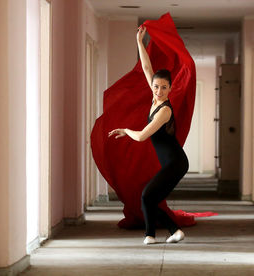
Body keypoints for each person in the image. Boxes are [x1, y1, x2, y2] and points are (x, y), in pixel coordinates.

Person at [108, 26, 189, 245]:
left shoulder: (164, 110)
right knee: (150, 198)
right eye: (156, 87)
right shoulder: (155, 100)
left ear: (170, 88)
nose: (159, 91)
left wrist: (126, 130)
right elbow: (146, 67)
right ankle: (152, 235)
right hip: (170, 162)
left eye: (163, 87)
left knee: (147, 196)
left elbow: (143, 136)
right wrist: (139, 41)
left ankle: (164, 232)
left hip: (176, 163)